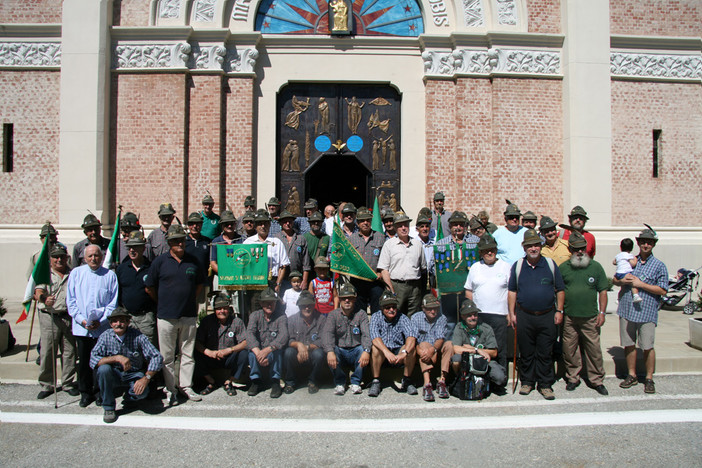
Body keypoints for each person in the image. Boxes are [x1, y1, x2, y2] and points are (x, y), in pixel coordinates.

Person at [146, 224, 206, 406]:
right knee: (167, 356)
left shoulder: (193, 261)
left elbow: (199, 285)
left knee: (187, 353)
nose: (179, 243)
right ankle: (170, 389)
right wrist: (163, 302)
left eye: (181, 239)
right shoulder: (160, 262)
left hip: (188, 315)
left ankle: (186, 386)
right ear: (169, 243)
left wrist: (187, 300)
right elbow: (149, 287)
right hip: (166, 316)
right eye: (175, 241)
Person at [508, 229, 564, 400]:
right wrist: (511, 313)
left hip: (547, 315)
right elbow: (512, 291)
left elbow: (560, 289)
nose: (533, 248)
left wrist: (559, 311)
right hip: (525, 315)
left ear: (540, 246)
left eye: (536, 245)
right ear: (524, 248)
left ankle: (545, 384)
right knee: (526, 350)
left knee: (545, 351)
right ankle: (527, 382)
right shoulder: (518, 266)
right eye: (529, 246)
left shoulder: (550, 264)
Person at [613, 226, 668, 394]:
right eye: (643, 242)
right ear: (637, 243)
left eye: (649, 242)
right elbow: (615, 279)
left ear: (654, 244)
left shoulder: (659, 266)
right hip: (627, 309)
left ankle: (649, 378)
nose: (646, 245)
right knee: (629, 344)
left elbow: (663, 290)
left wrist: (640, 285)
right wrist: (623, 282)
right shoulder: (630, 260)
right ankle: (632, 375)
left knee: (647, 346)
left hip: (647, 311)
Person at [90, 307, 163, 424]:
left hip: (134, 374)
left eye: (122, 321)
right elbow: (93, 359)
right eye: (115, 321)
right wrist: (116, 358)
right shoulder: (105, 336)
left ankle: (130, 398)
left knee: (142, 392)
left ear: (128, 322)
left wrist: (146, 378)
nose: (118, 324)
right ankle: (108, 408)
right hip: (114, 374)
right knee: (103, 370)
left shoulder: (138, 336)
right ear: (110, 323)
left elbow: (157, 357)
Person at [66, 244, 118, 407]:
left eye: (96, 255)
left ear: (102, 257)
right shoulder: (76, 274)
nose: (93, 259)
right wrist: (82, 320)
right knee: (84, 362)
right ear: (84, 258)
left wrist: (100, 321)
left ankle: (99, 392)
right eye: (90, 256)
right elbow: (71, 301)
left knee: (101, 362)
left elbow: (112, 304)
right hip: (82, 328)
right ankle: (85, 392)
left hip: (101, 328)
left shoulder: (109, 275)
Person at [559, 232, 609, 396]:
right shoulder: (564, 268)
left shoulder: (595, 267)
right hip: (570, 317)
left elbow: (602, 291)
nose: (580, 252)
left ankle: (596, 380)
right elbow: (558, 291)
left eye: (582, 248)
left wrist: (602, 312)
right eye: (576, 249)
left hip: (590, 317)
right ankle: (573, 378)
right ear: (570, 249)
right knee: (569, 349)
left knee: (594, 349)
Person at [34, 243, 78, 399]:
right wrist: (44, 298)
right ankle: (47, 384)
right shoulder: (45, 274)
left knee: (70, 351)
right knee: (48, 352)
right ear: (50, 259)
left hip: (67, 316)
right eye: (55, 257)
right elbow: (37, 291)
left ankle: (67, 383)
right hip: (50, 317)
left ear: (67, 258)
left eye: (62, 256)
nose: (59, 260)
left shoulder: (73, 274)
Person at [464, 234, 511, 374]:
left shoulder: (505, 267)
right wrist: (471, 313)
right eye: (485, 250)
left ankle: (500, 378)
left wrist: (510, 312)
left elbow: (512, 292)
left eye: (492, 249)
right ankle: (482, 377)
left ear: (496, 250)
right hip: (480, 315)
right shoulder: (475, 267)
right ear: (481, 252)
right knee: (480, 347)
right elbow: (469, 291)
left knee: (500, 348)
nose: (489, 252)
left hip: (500, 315)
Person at [321, 283, 371, 395]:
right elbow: (327, 334)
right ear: (339, 299)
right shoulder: (333, 315)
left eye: (350, 298)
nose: (347, 301)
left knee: (363, 351)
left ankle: (356, 382)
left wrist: (367, 350)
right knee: (330, 351)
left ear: (355, 299)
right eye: (344, 298)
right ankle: (340, 383)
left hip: (356, 349)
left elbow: (366, 334)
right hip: (340, 349)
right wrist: (329, 351)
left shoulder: (361, 314)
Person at [194, 292, 247, 396]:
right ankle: (210, 382)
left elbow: (245, 342)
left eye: (225, 308)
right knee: (194, 353)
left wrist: (229, 350)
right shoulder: (206, 321)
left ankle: (229, 382)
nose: (222, 311)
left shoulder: (237, 322)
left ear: (229, 309)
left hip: (228, 357)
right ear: (214, 310)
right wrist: (208, 352)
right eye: (219, 308)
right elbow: (197, 342)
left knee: (244, 353)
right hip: (212, 356)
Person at [368, 291, 418, 397]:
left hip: (398, 350)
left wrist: (404, 353)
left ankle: (407, 380)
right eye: (387, 307)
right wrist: (386, 352)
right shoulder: (376, 317)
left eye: (393, 306)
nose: (391, 310)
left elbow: (411, 336)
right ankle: (376, 381)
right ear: (382, 308)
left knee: (411, 348)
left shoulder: (402, 317)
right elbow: (374, 337)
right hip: (383, 352)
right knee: (375, 348)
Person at [435, 211, 479, 328]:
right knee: (450, 321)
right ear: (450, 227)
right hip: (449, 291)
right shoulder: (441, 243)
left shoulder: (475, 241)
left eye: (461, 224)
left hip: (470, 290)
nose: (458, 227)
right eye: (455, 224)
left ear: (465, 226)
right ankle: (450, 344)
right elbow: (433, 264)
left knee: (469, 319)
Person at [378, 212, 427, 317]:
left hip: (415, 287)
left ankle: (411, 334)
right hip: (397, 286)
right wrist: (391, 288)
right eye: (400, 226)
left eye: (406, 225)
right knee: (396, 315)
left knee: (414, 316)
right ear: (395, 228)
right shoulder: (389, 245)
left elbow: (423, 268)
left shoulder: (417, 244)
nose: (403, 228)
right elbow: (384, 270)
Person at [451, 300, 507, 390]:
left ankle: (485, 382)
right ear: (463, 316)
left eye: (475, 314)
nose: (473, 317)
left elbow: (494, 352)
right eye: (469, 315)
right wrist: (476, 350)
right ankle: (459, 380)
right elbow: (456, 349)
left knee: (500, 378)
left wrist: (475, 349)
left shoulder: (486, 328)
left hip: (483, 361)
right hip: (467, 361)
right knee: (456, 359)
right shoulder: (459, 327)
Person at [406, 294, 452, 401]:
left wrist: (433, 351)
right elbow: (413, 339)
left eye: (435, 308)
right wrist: (424, 352)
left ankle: (442, 381)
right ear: (423, 308)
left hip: (436, 348)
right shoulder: (416, 318)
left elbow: (440, 338)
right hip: (422, 349)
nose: (433, 311)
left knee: (449, 344)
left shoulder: (442, 318)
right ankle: (427, 384)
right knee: (424, 345)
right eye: (429, 309)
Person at [116, 231, 157, 346]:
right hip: (128, 317)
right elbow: (118, 293)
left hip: (146, 318)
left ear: (143, 248)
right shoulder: (122, 269)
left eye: (135, 247)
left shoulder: (151, 268)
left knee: (148, 349)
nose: (132, 250)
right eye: (130, 248)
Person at [246, 288, 289, 398]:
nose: (269, 305)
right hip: (259, 352)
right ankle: (256, 381)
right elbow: (249, 334)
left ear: (275, 303)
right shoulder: (254, 316)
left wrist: (267, 350)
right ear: (261, 303)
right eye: (266, 303)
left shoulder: (281, 317)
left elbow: (283, 336)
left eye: (272, 302)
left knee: (278, 351)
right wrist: (258, 352)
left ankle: (275, 381)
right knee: (251, 353)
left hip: (271, 350)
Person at [284, 291, 327, 394]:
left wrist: (307, 347)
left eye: (309, 305)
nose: (307, 308)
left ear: (314, 305)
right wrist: (299, 345)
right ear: (299, 306)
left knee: (319, 354)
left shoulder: (322, 319)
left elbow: (323, 340)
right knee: (288, 352)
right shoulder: (291, 320)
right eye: (304, 306)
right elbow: (289, 340)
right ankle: (290, 382)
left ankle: (313, 381)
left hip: (313, 351)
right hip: (297, 353)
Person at [243, 209, 290, 294]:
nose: (263, 226)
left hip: (272, 281)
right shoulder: (248, 242)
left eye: (265, 223)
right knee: (255, 306)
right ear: (256, 226)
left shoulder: (277, 242)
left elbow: (283, 266)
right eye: (260, 224)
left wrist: (278, 283)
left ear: (269, 225)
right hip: (254, 282)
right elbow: (243, 264)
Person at [349, 206, 385, 312]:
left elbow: (385, 259)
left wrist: (380, 272)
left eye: (368, 220)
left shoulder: (380, 237)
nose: (365, 223)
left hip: (375, 281)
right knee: (359, 311)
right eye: (362, 221)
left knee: (377, 310)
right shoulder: (351, 239)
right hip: (358, 281)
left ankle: (376, 328)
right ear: (358, 223)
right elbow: (349, 260)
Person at [276, 210, 311, 291]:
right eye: (285, 221)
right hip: (281, 279)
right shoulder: (276, 239)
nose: (287, 223)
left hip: (297, 279)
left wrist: (304, 281)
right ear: (280, 223)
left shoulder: (301, 238)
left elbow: (306, 263)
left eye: (290, 221)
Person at [613, 238, 642, 303]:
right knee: (633, 283)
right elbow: (633, 264)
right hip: (625, 273)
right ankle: (635, 295)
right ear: (631, 248)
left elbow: (614, 262)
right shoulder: (629, 256)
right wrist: (634, 259)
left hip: (618, 273)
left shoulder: (618, 255)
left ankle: (618, 299)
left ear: (621, 247)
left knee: (622, 288)